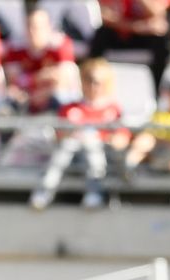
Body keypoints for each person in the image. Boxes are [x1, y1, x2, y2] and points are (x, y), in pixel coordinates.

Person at [29, 57, 128, 212]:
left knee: (90, 142)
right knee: (70, 144)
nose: (93, 86)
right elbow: (59, 136)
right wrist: (74, 135)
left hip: (101, 156)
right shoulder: (70, 108)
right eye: (89, 80)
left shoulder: (113, 110)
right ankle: (44, 191)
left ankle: (94, 192)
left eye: (98, 81)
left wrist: (102, 138)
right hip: (71, 157)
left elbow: (122, 139)